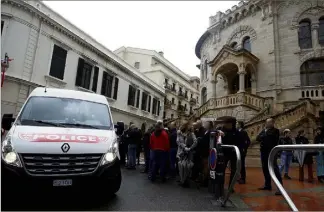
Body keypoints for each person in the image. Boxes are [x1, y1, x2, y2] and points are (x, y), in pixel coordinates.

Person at [256, 118, 282, 195]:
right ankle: (268, 185)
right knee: (265, 168)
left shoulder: (275, 131)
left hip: (271, 152)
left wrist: (263, 134)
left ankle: (280, 188)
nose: (266, 124)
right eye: (266, 122)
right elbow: (258, 138)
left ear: (272, 123)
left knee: (274, 169)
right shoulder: (264, 131)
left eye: (268, 122)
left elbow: (267, 138)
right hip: (263, 152)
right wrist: (263, 134)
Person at [218, 117, 241, 192]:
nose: (226, 125)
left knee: (233, 171)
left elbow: (238, 142)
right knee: (222, 169)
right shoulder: (222, 130)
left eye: (228, 124)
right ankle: (221, 185)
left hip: (233, 153)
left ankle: (231, 187)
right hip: (224, 153)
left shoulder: (236, 132)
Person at [177, 122, 198, 188]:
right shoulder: (184, 134)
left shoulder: (191, 134)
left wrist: (189, 148)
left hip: (188, 153)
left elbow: (195, 142)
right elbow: (179, 142)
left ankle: (185, 181)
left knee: (187, 167)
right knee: (182, 165)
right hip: (184, 153)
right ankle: (183, 180)